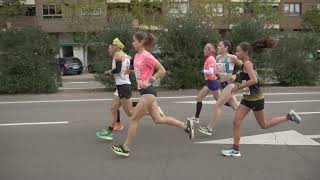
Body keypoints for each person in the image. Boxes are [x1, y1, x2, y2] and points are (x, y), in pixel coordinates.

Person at [111, 32, 194, 157]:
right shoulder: (137, 56)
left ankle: (126, 147)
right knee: (158, 119)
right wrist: (131, 71)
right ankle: (185, 125)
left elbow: (162, 70)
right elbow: (141, 70)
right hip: (144, 92)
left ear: (141, 42)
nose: (132, 43)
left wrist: (150, 80)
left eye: (134, 41)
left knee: (133, 119)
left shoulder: (147, 56)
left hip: (148, 92)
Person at [221, 41, 302, 157]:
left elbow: (254, 80)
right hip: (247, 98)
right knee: (236, 121)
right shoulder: (245, 64)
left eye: (238, 51)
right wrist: (236, 76)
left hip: (255, 99)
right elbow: (246, 74)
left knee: (264, 125)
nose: (236, 53)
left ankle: (289, 116)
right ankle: (235, 149)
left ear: (245, 52)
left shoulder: (247, 63)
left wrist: (238, 86)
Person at [96, 38, 135, 140]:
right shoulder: (125, 55)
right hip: (121, 86)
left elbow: (117, 70)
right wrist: (129, 71)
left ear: (117, 46)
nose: (111, 48)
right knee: (113, 109)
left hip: (123, 86)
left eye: (112, 46)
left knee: (130, 113)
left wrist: (109, 72)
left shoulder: (118, 54)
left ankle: (152, 110)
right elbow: (130, 66)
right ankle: (109, 132)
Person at [186, 43, 221, 124]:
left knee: (221, 101)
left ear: (209, 50)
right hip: (210, 83)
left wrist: (203, 71)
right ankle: (196, 118)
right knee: (199, 98)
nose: (203, 50)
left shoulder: (210, 59)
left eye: (205, 49)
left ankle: (235, 106)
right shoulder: (210, 58)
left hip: (213, 83)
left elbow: (211, 72)